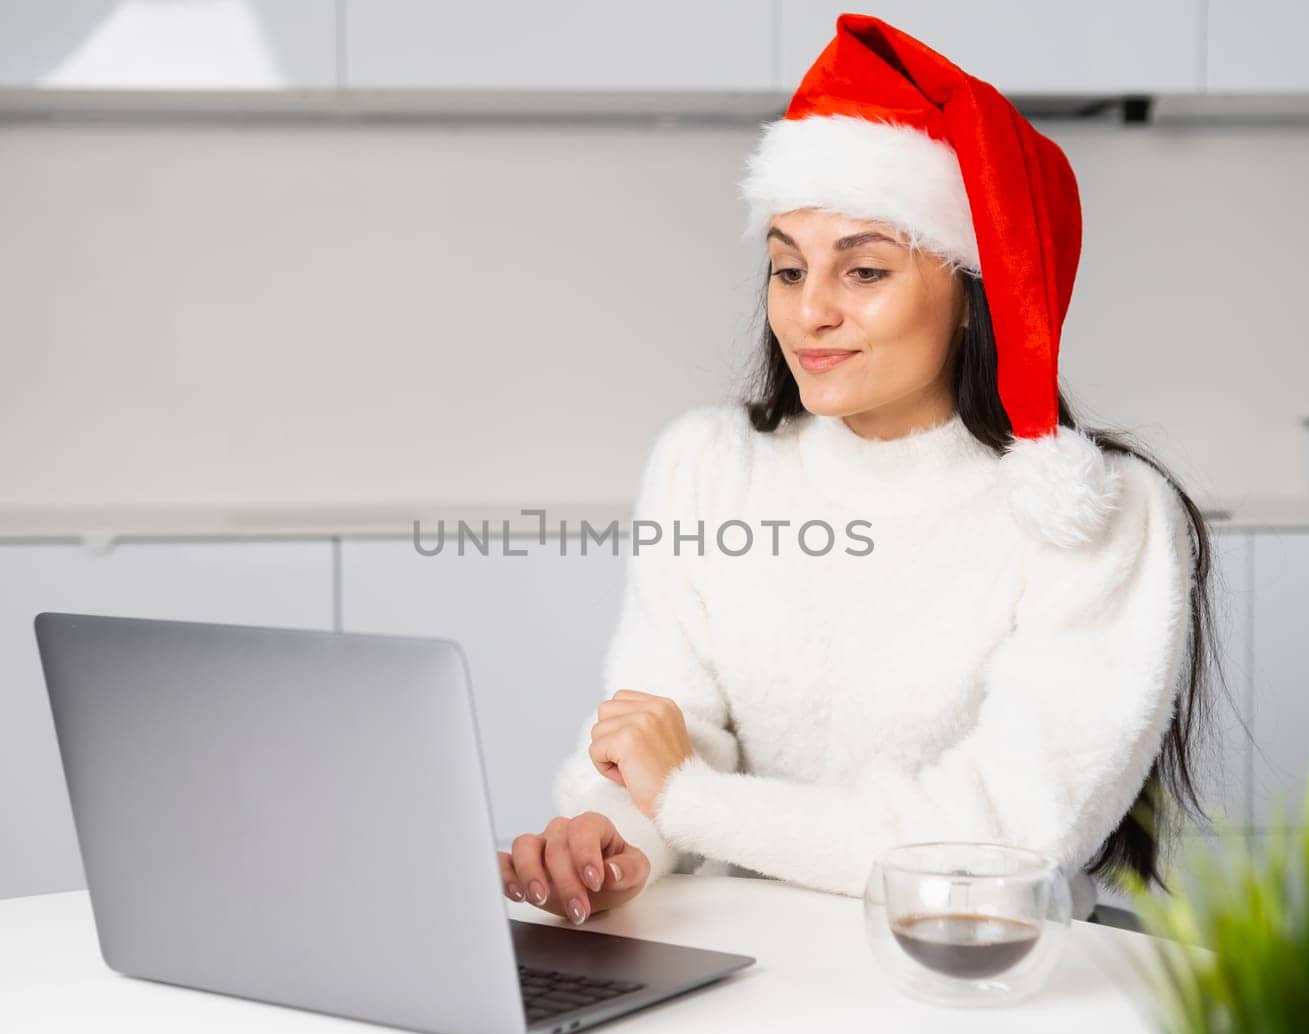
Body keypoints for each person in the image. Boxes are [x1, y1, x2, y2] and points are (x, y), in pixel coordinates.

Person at [497, 13, 1220, 927]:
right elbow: (660, 737)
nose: (810, 314)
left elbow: (998, 837)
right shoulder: (708, 464)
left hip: (965, 972)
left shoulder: (1096, 517)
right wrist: (611, 843)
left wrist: (686, 799)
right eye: (788, 270)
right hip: (742, 961)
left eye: (864, 272)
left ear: (971, 291)